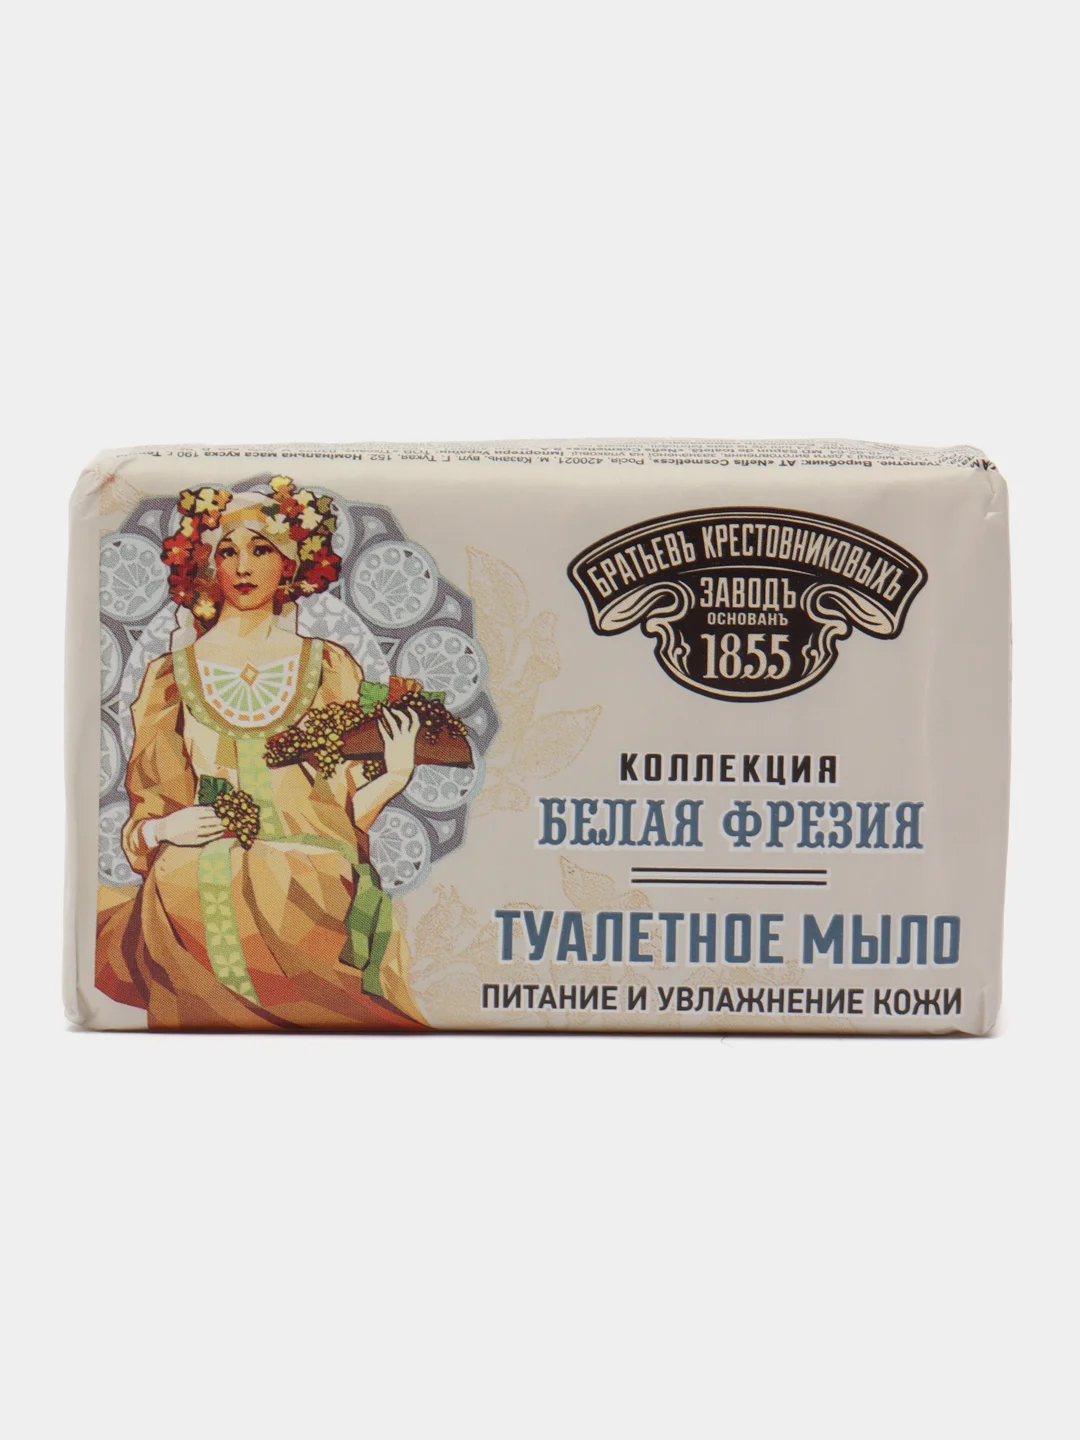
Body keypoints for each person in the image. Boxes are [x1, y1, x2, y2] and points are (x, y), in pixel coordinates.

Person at [96, 479, 426, 1030]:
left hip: (313, 881)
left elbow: (342, 820)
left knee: (309, 882)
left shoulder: (331, 668)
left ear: (290, 565)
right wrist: (162, 829)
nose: (243, 566)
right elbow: (147, 813)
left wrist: (395, 775)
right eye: (228, 552)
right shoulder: (170, 679)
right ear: (208, 565)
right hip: (192, 880)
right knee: (182, 881)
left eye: (261, 550)